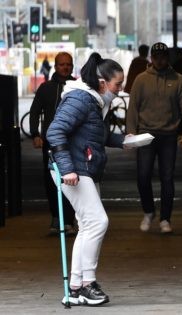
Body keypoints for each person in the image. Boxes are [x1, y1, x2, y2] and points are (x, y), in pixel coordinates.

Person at [47, 52, 129, 306]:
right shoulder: (81, 99)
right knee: (97, 222)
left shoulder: (92, 100)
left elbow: (93, 135)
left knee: (87, 226)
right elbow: (55, 131)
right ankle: (86, 284)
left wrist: (125, 140)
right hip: (72, 170)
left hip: (80, 167)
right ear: (102, 82)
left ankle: (75, 286)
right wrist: (67, 169)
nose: (120, 90)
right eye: (118, 85)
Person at [126, 42, 182, 234]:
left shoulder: (179, 80)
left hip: (169, 135)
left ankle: (165, 219)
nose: (160, 60)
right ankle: (148, 211)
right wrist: (131, 134)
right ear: (151, 58)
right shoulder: (140, 80)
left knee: (167, 178)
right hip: (146, 134)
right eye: (156, 57)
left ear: (168, 58)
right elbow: (133, 108)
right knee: (143, 176)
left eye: (163, 57)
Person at [29, 52, 77, 236]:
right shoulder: (46, 88)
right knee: (52, 181)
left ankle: (69, 220)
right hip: (50, 143)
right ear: (55, 67)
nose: (65, 67)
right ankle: (56, 218)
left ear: (72, 67)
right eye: (62, 64)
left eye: (68, 64)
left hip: (72, 142)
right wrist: (35, 134)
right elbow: (34, 112)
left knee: (72, 180)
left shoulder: (77, 87)